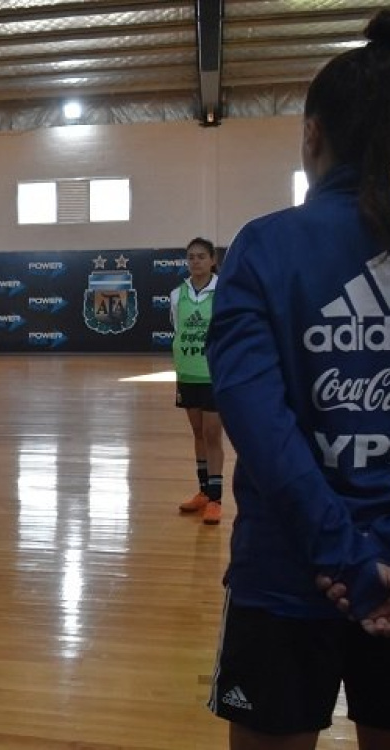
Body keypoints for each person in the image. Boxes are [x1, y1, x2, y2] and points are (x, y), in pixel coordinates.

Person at [206, 11, 390, 749]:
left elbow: (262, 429)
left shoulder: (264, 247)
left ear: (313, 135)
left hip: (286, 575)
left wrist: (348, 560)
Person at [171, 237, 224, 525]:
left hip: (213, 373)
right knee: (198, 433)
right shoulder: (176, 294)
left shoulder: (224, 291)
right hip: (188, 372)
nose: (195, 261)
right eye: (191, 257)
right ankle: (203, 491)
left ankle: (216, 498)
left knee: (213, 433)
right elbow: (177, 328)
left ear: (212, 259)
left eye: (201, 256)